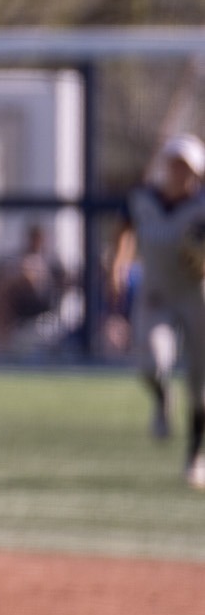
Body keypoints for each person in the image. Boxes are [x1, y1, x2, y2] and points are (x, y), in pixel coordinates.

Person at [109, 133, 205, 489]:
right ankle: (163, 397)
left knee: (201, 385)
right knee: (151, 361)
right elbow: (124, 230)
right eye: (175, 164)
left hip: (197, 294)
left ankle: (194, 457)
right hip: (157, 292)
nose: (180, 172)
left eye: (187, 167)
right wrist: (117, 265)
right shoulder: (143, 199)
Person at [0, 224, 68, 351]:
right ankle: (2, 343)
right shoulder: (18, 260)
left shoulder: (52, 262)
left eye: (39, 239)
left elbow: (62, 284)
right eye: (33, 238)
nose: (36, 242)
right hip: (22, 315)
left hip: (46, 312)